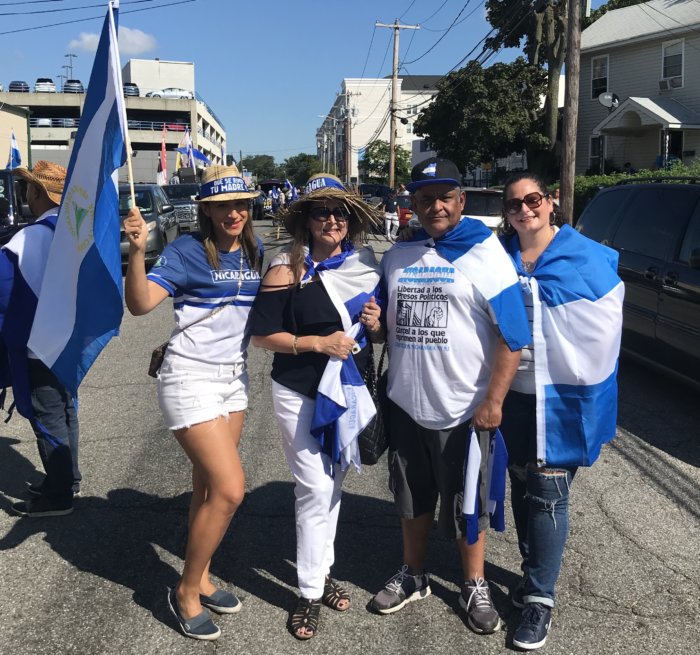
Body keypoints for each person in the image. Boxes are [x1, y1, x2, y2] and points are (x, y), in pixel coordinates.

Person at [371, 157, 531, 635]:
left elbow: (511, 337)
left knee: (468, 504)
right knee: (411, 497)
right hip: (406, 403)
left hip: (464, 408)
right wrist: (376, 328)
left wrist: (494, 402)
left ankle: (474, 583)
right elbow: (383, 329)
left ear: (461, 200)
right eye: (425, 198)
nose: (435, 206)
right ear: (413, 204)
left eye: (445, 197)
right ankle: (413, 573)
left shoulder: (487, 255)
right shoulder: (398, 255)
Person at [123, 164, 263, 641]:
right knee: (230, 490)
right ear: (207, 210)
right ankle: (184, 591)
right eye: (224, 205)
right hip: (189, 377)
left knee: (206, 487)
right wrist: (139, 251)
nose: (235, 213)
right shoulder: (185, 251)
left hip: (234, 379)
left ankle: (201, 576)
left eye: (241, 204)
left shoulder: (254, 249)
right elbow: (141, 304)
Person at [249, 173, 382, 640]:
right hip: (299, 391)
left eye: (339, 212)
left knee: (334, 484)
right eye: (321, 211)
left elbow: (376, 335)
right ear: (305, 219)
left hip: (347, 392)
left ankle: (321, 572)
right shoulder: (286, 267)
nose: (331, 219)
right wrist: (316, 343)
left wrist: (376, 321)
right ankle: (307, 592)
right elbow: (263, 335)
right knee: (313, 488)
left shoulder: (365, 266)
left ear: (350, 221)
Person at [498, 172, 623, 650]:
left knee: (549, 492)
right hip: (512, 393)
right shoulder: (500, 259)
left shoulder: (584, 256)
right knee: (520, 483)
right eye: (514, 205)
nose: (524, 209)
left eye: (532, 200)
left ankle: (540, 600)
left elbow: (604, 324)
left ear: (550, 202)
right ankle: (533, 577)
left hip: (563, 395)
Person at [0, 161, 82, 517]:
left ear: (37, 193)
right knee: (66, 410)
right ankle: (67, 478)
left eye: (28, 188)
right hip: (69, 340)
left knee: (47, 417)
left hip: (38, 345)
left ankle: (59, 495)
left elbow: (3, 293)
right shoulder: (75, 233)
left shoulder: (27, 238)